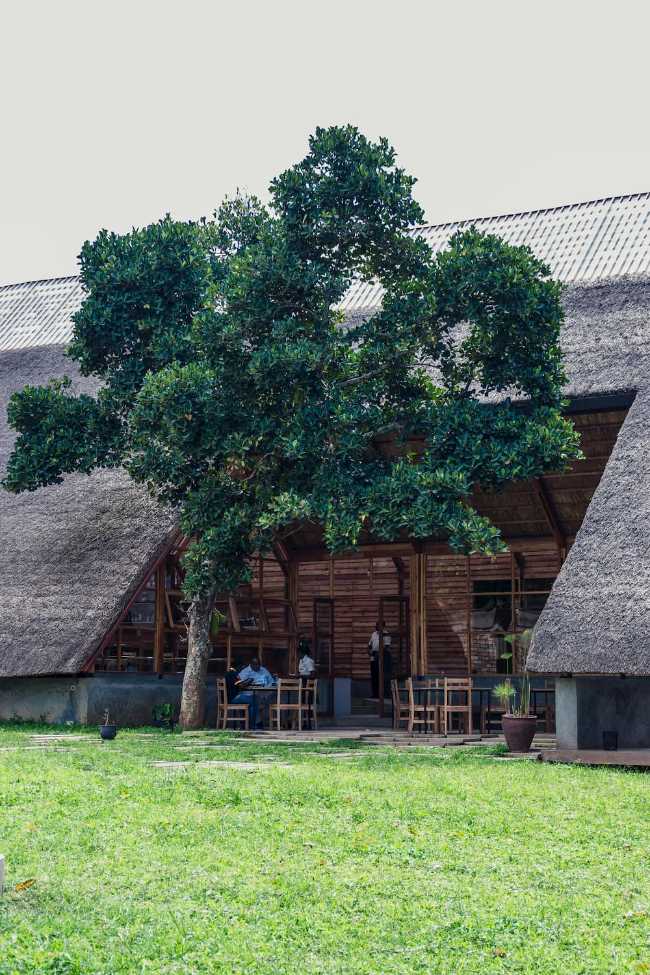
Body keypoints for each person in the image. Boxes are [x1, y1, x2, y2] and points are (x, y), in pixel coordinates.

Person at [232, 656, 275, 729]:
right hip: (246, 695)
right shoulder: (245, 672)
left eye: (258, 664)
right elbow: (239, 685)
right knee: (255, 701)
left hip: (262, 694)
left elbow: (272, 682)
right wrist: (248, 682)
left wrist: (266, 686)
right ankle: (256, 724)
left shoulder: (263, 670)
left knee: (256, 701)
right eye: (255, 664)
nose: (257, 666)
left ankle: (251, 725)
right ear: (251, 664)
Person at [368, 621, 392, 699]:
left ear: (383, 626)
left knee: (381, 676)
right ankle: (375, 694)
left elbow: (386, 646)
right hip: (373, 656)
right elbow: (369, 645)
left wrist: (379, 653)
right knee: (374, 675)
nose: (376, 626)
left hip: (382, 657)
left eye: (378, 625)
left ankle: (382, 694)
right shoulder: (374, 634)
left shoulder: (386, 634)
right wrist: (369, 651)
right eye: (376, 625)